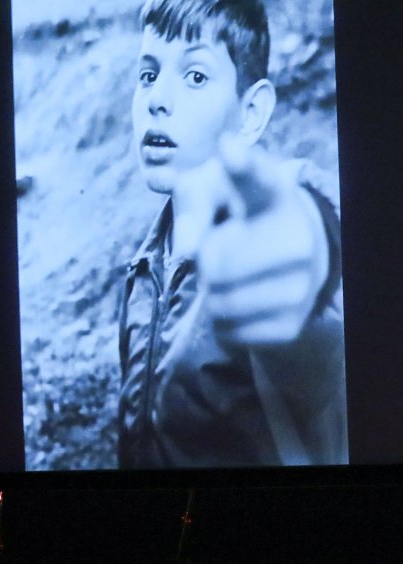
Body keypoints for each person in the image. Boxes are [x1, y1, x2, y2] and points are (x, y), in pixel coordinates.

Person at [118, 0, 347, 468]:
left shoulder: (258, 244)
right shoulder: (143, 269)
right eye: (148, 75)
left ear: (251, 114)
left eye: (195, 76)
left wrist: (309, 249)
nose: (158, 98)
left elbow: (307, 240)